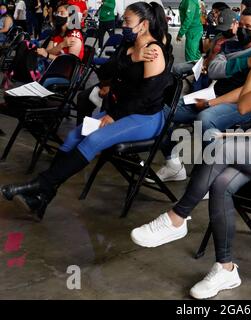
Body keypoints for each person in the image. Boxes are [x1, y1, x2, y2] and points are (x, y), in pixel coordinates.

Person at [131, 10, 251, 300]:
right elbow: (244, 107)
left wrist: (244, 135)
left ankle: (177, 217)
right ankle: (226, 268)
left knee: (221, 145)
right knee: (220, 185)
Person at [1, 2, 172, 221]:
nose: (123, 25)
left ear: (144, 24)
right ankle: (43, 195)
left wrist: (114, 115)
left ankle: (39, 186)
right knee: (74, 136)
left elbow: (147, 96)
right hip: (121, 111)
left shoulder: (153, 50)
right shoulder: (130, 46)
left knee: (93, 140)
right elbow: (104, 71)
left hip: (146, 117)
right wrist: (131, 59)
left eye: (128, 22)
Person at [153, 7, 251, 183]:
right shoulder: (230, 44)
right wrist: (244, 62)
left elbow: (247, 91)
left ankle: (211, 177)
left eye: (248, 27)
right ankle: (173, 164)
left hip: (239, 104)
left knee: (206, 119)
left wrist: (211, 103)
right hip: (213, 94)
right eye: (241, 24)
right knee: (161, 111)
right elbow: (214, 70)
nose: (242, 29)